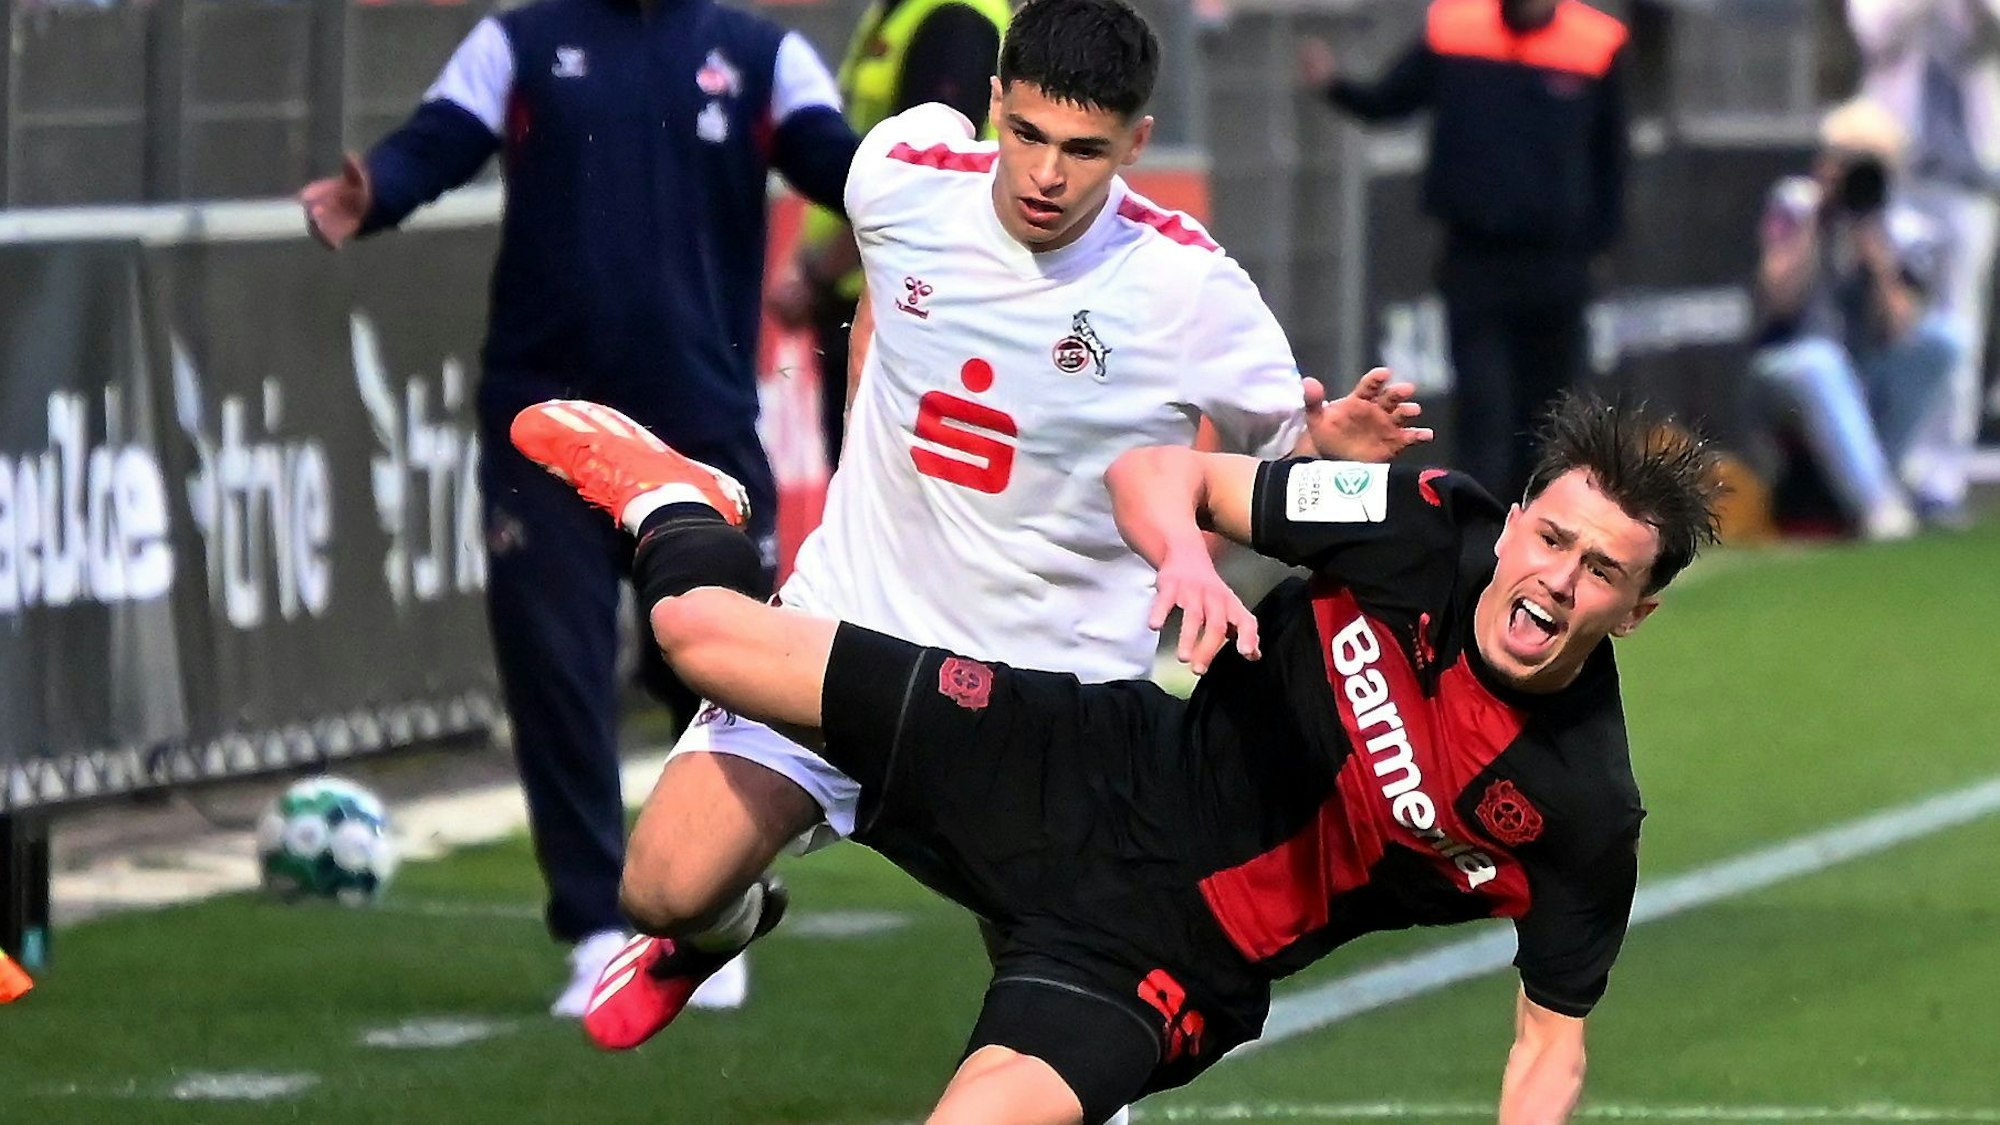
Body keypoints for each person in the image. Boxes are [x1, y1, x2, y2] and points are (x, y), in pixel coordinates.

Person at [563, 0, 1431, 1065]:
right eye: (1024, 134)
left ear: (1135, 145)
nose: (1045, 175)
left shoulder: (1189, 290)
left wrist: (1330, 448)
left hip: (1042, 701)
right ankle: (720, 935)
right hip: (850, 629)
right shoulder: (900, 175)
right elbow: (874, 284)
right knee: (663, 887)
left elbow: (1275, 475)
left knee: (1062, 1042)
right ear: (990, 106)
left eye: (1083, 150)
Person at [506, 387, 1722, 1125]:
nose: (1555, 581)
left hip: (1167, 959)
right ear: (1511, 524)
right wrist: (1186, 556)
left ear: (1636, 611)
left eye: (1600, 571)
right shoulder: (1419, 530)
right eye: (1551, 538)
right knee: (689, 675)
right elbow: (1159, 473)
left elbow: (1547, 1041)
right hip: (1074, 760)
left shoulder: (1579, 807)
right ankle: (682, 507)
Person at [296, 0, 859, 1017]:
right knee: (551, 663)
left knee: (717, 669)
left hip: (701, 427)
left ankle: (709, 913)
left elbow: (841, 163)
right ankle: (596, 925)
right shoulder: (513, 42)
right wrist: (372, 191)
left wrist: (944, 208)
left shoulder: (759, 54)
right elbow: (440, 140)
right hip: (542, 421)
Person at [1300, 0, 1630, 502]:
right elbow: (1392, 98)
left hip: (1558, 265)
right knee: (1483, 410)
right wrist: (1336, 86)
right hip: (1475, 258)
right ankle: (1481, 542)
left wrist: (1601, 246)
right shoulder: (1454, 28)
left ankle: (1542, 531)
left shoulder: (1596, 44)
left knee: (1551, 414)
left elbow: (1612, 161)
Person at [769, 0, 1012, 464]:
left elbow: (915, 184)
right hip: (871, 296)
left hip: (908, 306)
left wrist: (817, 274)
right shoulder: (899, 10)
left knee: (882, 494)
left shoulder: (956, 18)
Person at [1749, 98, 1958, 540]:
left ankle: (1879, 484)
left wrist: (1877, 254)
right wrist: (1816, 221)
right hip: (1787, 369)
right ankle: (1881, 507)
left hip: (1867, 365)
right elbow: (1779, 301)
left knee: (1945, 339)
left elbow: (1903, 329)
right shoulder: (1795, 205)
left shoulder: (1902, 227)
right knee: (1819, 360)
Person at [1848, 0, 2000, 528]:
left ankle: (1942, 476)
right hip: (1901, 170)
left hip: (1969, 177)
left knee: (1960, 327)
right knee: (1896, 319)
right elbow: (1873, 31)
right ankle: (1892, 467)